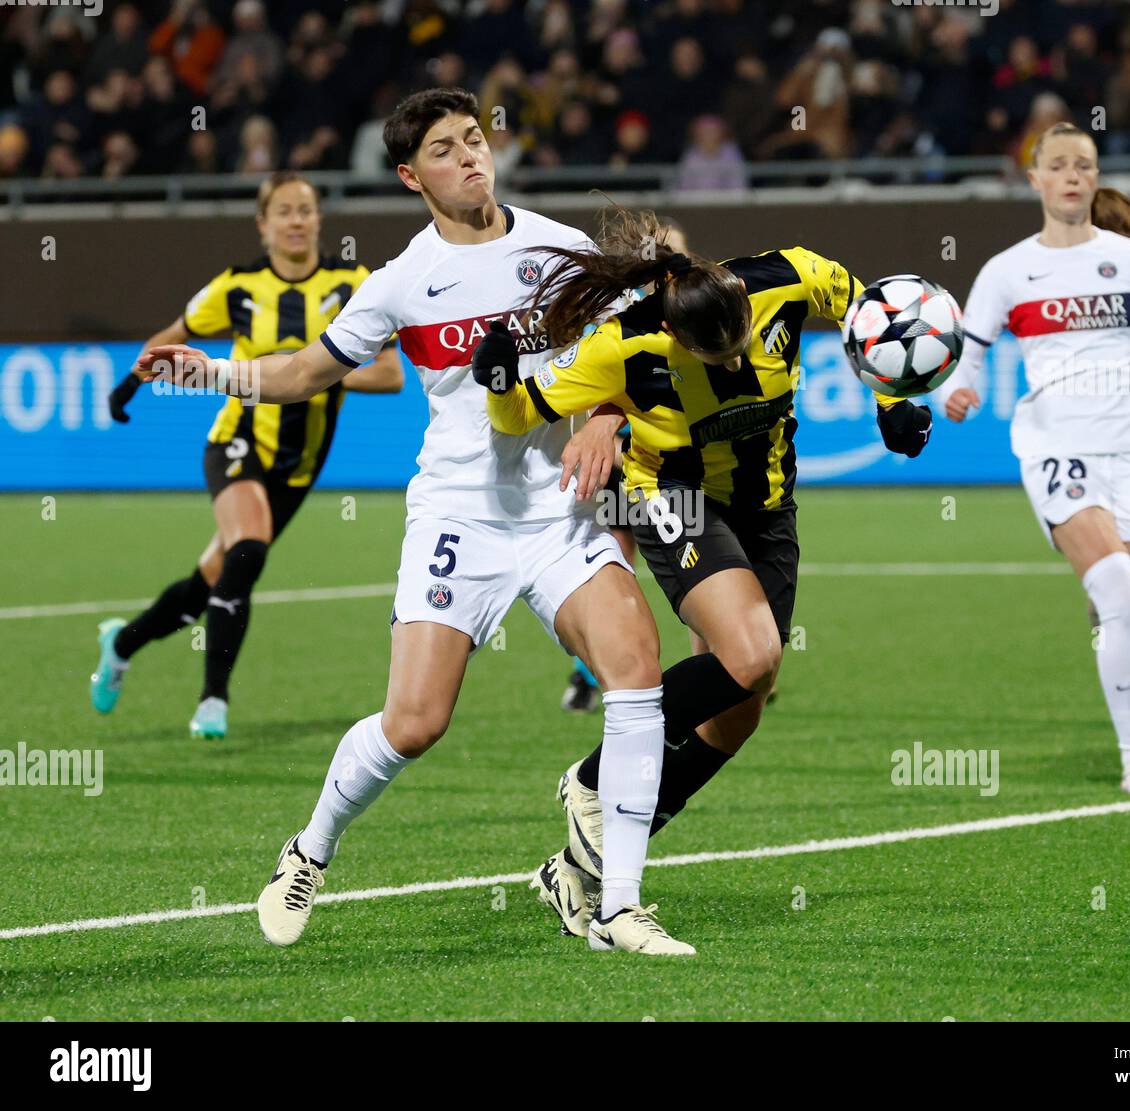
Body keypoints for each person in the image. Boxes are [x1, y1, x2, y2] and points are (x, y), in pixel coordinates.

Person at [135, 88, 706, 956]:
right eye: (445, 148)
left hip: (558, 512)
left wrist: (603, 418)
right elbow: (302, 373)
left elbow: (634, 353)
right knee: (415, 723)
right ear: (410, 174)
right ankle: (309, 850)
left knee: (636, 672)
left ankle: (617, 905)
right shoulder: (400, 282)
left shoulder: (562, 248)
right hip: (460, 517)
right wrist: (211, 375)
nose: (470, 156)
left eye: (476, 139)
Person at [477, 204, 934, 939]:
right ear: (673, 335)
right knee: (752, 653)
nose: (731, 362)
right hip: (674, 498)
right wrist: (499, 381)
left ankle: (582, 865)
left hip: (768, 508)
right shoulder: (620, 346)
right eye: (709, 357)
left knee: (738, 712)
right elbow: (518, 412)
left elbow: (859, 305)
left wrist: (892, 398)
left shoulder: (785, 276)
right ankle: (594, 779)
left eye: (739, 347)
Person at [934, 121, 1130, 796]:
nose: (1071, 176)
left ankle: (1109, 613)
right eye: (1057, 165)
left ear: (1094, 177)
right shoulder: (1006, 270)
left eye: (1082, 165)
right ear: (1035, 179)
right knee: (1118, 586)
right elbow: (963, 361)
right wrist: (957, 390)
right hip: (1058, 449)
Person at [92, 171, 403, 740]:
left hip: (301, 464)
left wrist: (310, 373)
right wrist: (128, 386)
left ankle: (122, 643)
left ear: (319, 219)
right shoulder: (236, 286)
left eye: (305, 209)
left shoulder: (353, 283)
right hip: (236, 441)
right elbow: (172, 334)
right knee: (249, 549)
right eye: (283, 211)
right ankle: (213, 698)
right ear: (263, 225)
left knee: (208, 583)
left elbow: (389, 375)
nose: (296, 220)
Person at [560, 216, 690, 714]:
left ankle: (725, 670)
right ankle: (589, 675)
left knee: (694, 565)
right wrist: (605, 425)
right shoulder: (611, 321)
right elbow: (585, 383)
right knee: (614, 562)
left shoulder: (690, 315)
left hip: (676, 467)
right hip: (619, 463)